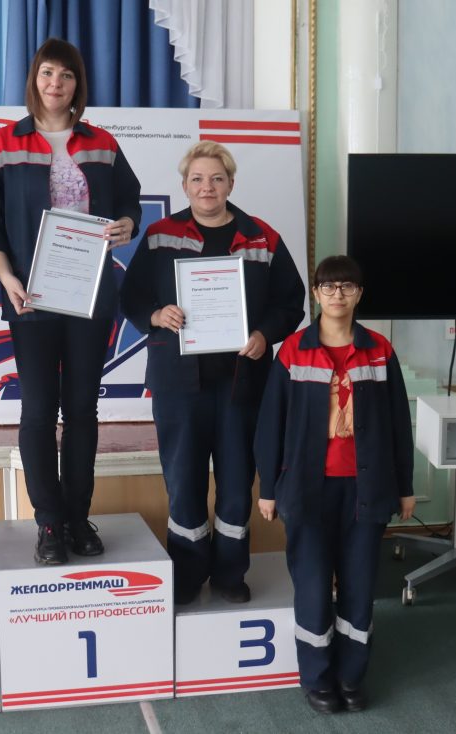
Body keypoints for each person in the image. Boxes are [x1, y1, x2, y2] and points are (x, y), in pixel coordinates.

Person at [0, 38, 141, 564]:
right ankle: (48, 521)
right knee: (40, 410)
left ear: (77, 84)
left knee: (83, 409)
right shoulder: (2, 144)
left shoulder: (103, 143)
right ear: (34, 80)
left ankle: (77, 517)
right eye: (47, 73)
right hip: (31, 298)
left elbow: (129, 201)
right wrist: (6, 278)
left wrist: (127, 224)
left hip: (90, 297)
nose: (56, 83)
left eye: (66, 75)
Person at [120, 140, 305, 604]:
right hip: (178, 385)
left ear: (231, 184)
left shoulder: (262, 237)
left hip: (242, 384)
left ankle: (229, 574)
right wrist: (156, 314)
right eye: (198, 179)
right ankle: (186, 573)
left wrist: (265, 333)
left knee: (237, 483)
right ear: (185, 185)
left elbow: (291, 302)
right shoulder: (160, 235)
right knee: (183, 482)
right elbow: (131, 295)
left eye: (217, 179)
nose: (207, 187)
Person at [255, 255, 415, 714]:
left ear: (359, 294)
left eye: (347, 286)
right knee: (311, 585)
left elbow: (398, 424)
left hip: (367, 490)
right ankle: (317, 678)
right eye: (328, 286)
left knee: (359, 587)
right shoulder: (293, 351)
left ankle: (350, 675)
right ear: (316, 294)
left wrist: (404, 486)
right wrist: (268, 488)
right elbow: (270, 424)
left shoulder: (380, 350)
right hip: (306, 491)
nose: (337, 294)